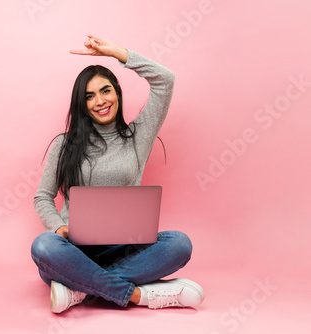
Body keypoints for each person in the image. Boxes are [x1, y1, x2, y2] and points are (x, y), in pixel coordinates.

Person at [30, 35, 205, 313]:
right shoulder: (64, 144)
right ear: (81, 104)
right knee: (44, 247)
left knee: (179, 244)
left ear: (117, 93)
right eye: (89, 96)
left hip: (126, 248)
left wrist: (118, 54)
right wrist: (59, 228)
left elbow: (165, 80)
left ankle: (79, 289)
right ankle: (137, 295)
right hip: (75, 250)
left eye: (105, 90)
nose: (100, 101)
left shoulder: (138, 136)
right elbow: (43, 198)